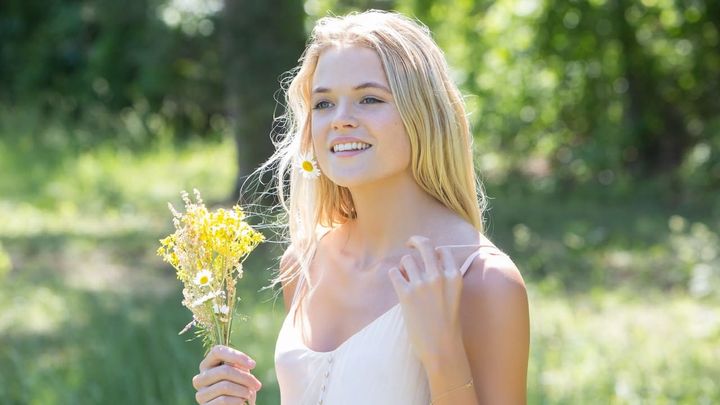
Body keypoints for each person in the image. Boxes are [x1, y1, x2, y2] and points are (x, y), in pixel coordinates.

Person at [191, 10, 529, 405]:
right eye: (323, 104)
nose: (341, 120)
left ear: (423, 112)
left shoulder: (483, 279)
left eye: (369, 99)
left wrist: (442, 353)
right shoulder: (304, 265)